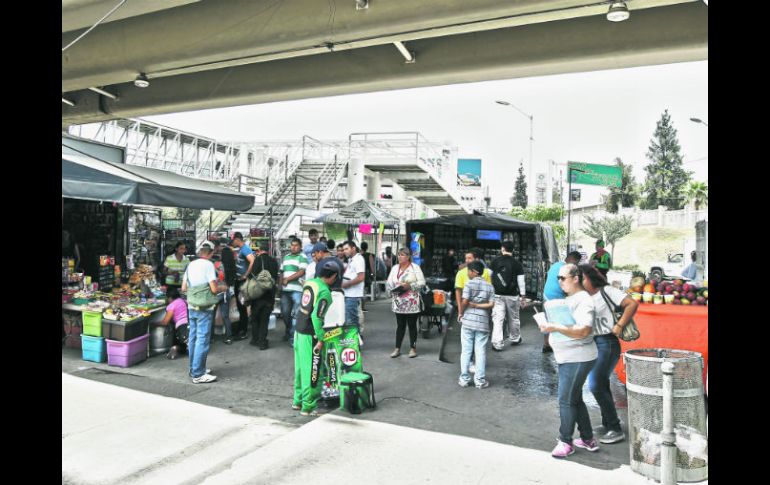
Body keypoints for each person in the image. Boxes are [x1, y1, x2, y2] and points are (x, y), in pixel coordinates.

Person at [537, 263, 598, 458]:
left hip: (577, 358)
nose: (560, 282)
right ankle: (588, 439)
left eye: (563, 278)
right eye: (558, 278)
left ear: (576, 278)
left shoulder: (583, 300)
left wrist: (555, 327)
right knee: (574, 398)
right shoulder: (572, 299)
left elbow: (584, 330)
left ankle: (566, 441)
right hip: (570, 356)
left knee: (565, 400)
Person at [580, 263, 638, 444]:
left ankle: (615, 428)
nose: (580, 282)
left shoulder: (607, 291)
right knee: (601, 383)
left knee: (596, 384)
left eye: (581, 278)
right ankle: (608, 423)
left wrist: (619, 326)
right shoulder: (583, 297)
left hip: (608, 343)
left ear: (589, 277)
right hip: (593, 343)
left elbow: (631, 304)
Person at [292, 260, 338, 416]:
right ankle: (308, 406)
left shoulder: (310, 283)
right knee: (312, 372)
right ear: (333, 277)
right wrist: (320, 339)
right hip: (310, 334)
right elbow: (317, 317)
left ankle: (297, 401)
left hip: (298, 330)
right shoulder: (325, 291)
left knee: (299, 369)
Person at [181, 241, 221, 384]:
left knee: (193, 338)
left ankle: (195, 368)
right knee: (202, 339)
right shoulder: (209, 265)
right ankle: (198, 374)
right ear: (210, 253)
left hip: (191, 305)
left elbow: (184, 287)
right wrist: (222, 288)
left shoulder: (190, 265)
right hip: (204, 307)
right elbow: (214, 289)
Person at [458, 261, 495, 389]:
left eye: (469, 270)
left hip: (468, 321)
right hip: (483, 322)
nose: (468, 273)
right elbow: (491, 304)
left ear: (474, 271)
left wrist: (461, 312)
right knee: (480, 351)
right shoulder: (490, 286)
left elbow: (465, 301)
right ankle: (479, 381)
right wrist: (479, 306)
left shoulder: (469, 284)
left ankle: (464, 379)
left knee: (466, 351)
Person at [387, 247, 426, 358]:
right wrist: (393, 288)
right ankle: (397, 348)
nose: (400, 257)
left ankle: (413, 348)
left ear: (408, 257)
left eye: (403, 255)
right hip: (398, 301)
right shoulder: (395, 268)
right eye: (399, 255)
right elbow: (389, 282)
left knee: (412, 325)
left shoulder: (415, 268)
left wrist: (410, 285)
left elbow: (422, 282)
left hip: (411, 302)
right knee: (400, 325)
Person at [541, 251, 582, 353]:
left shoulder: (556, 265)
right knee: (562, 321)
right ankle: (561, 346)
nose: (576, 265)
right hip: (556, 298)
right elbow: (567, 288)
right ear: (574, 260)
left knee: (548, 321)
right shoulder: (568, 270)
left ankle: (546, 344)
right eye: (576, 263)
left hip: (546, 295)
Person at [489, 240, 527, 350]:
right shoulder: (517, 263)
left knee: (497, 319)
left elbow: (489, 276)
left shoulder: (495, 261)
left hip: (497, 295)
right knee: (514, 317)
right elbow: (521, 282)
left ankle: (497, 344)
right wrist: (523, 297)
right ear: (513, 250)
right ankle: (515, 338)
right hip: (512, 295)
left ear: (502, 249)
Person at [249, 241, 279, 350]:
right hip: (269, 295)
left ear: (259, 250)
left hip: (257, 295)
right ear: (268, 250)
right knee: (264, 319)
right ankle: (262, 342)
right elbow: (275, 277)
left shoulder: (257, 260)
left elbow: (252, 276)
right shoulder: (274, 261)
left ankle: (255, 339)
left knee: (255, 317)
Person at [280, 238, 308, 346]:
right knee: (285, 313)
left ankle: (293, 337)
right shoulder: (286, 257)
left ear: (300, 246)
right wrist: (280, 286)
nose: (293, 247)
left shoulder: (303, 257)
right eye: (292, 245)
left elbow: (301, 272)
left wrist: (288, 279)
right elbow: (281, 272)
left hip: (297, 290)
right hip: (285, 290)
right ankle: (288, 331)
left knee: (296, 314)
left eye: (296, 245)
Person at [455, 250, 492, 322]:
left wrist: (488, 310)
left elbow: (489, 293)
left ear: (477, 259)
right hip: (467, 310)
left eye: (469, 258)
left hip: (483, 310)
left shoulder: (486, 272)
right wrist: (460, 311)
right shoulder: (460, 273)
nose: (467, 260)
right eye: (466, 258)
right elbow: (458, 293)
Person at [231, 232, 256, 340]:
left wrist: (246, 275)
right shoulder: (241, 249)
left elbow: (252, 261)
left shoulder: (245, 249)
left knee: (242, 306)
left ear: (237, 239)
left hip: (242, 282)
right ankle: (241, 329)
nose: (232, 243)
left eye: (233, 240)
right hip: (238, 281)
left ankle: (243, 331)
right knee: (240, 306)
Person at [214, 237, 236, 344]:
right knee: (226, 316)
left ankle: (210, 338)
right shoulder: (232, 266)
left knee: (211, 316)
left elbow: (216, 278)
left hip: (216, 292)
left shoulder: (218, 265)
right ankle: (229, 337)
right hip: (226, 293)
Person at [341, 241, 366, 330]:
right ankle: (355, 341)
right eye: (343, 249)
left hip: (353, 295)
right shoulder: (351, 260)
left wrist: (347, 284)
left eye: (346, 249)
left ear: (353, 248)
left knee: (351, 321)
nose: (344, 251)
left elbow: (361, 277)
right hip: (349, 294)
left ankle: (355, 342)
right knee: (350, 321)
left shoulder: (358, 259)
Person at [161, 287, 189, 360]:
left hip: (181, 327)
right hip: (190, 323)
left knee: (184, 343)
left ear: (170, 298)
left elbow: (165, 322)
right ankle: (178, 347)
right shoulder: (183, 301)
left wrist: (152, 324)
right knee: (189, 343)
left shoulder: (171, 305)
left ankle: (175, 347)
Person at [360, 241, 375, 311]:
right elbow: (372, 267)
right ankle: (362, 307)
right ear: (367, 248)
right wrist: (373, 274)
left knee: (359, 290)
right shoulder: (369, 255)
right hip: (366, 275)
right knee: (364, 291)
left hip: (359, 274)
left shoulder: (358, 255)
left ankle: (359, 306)